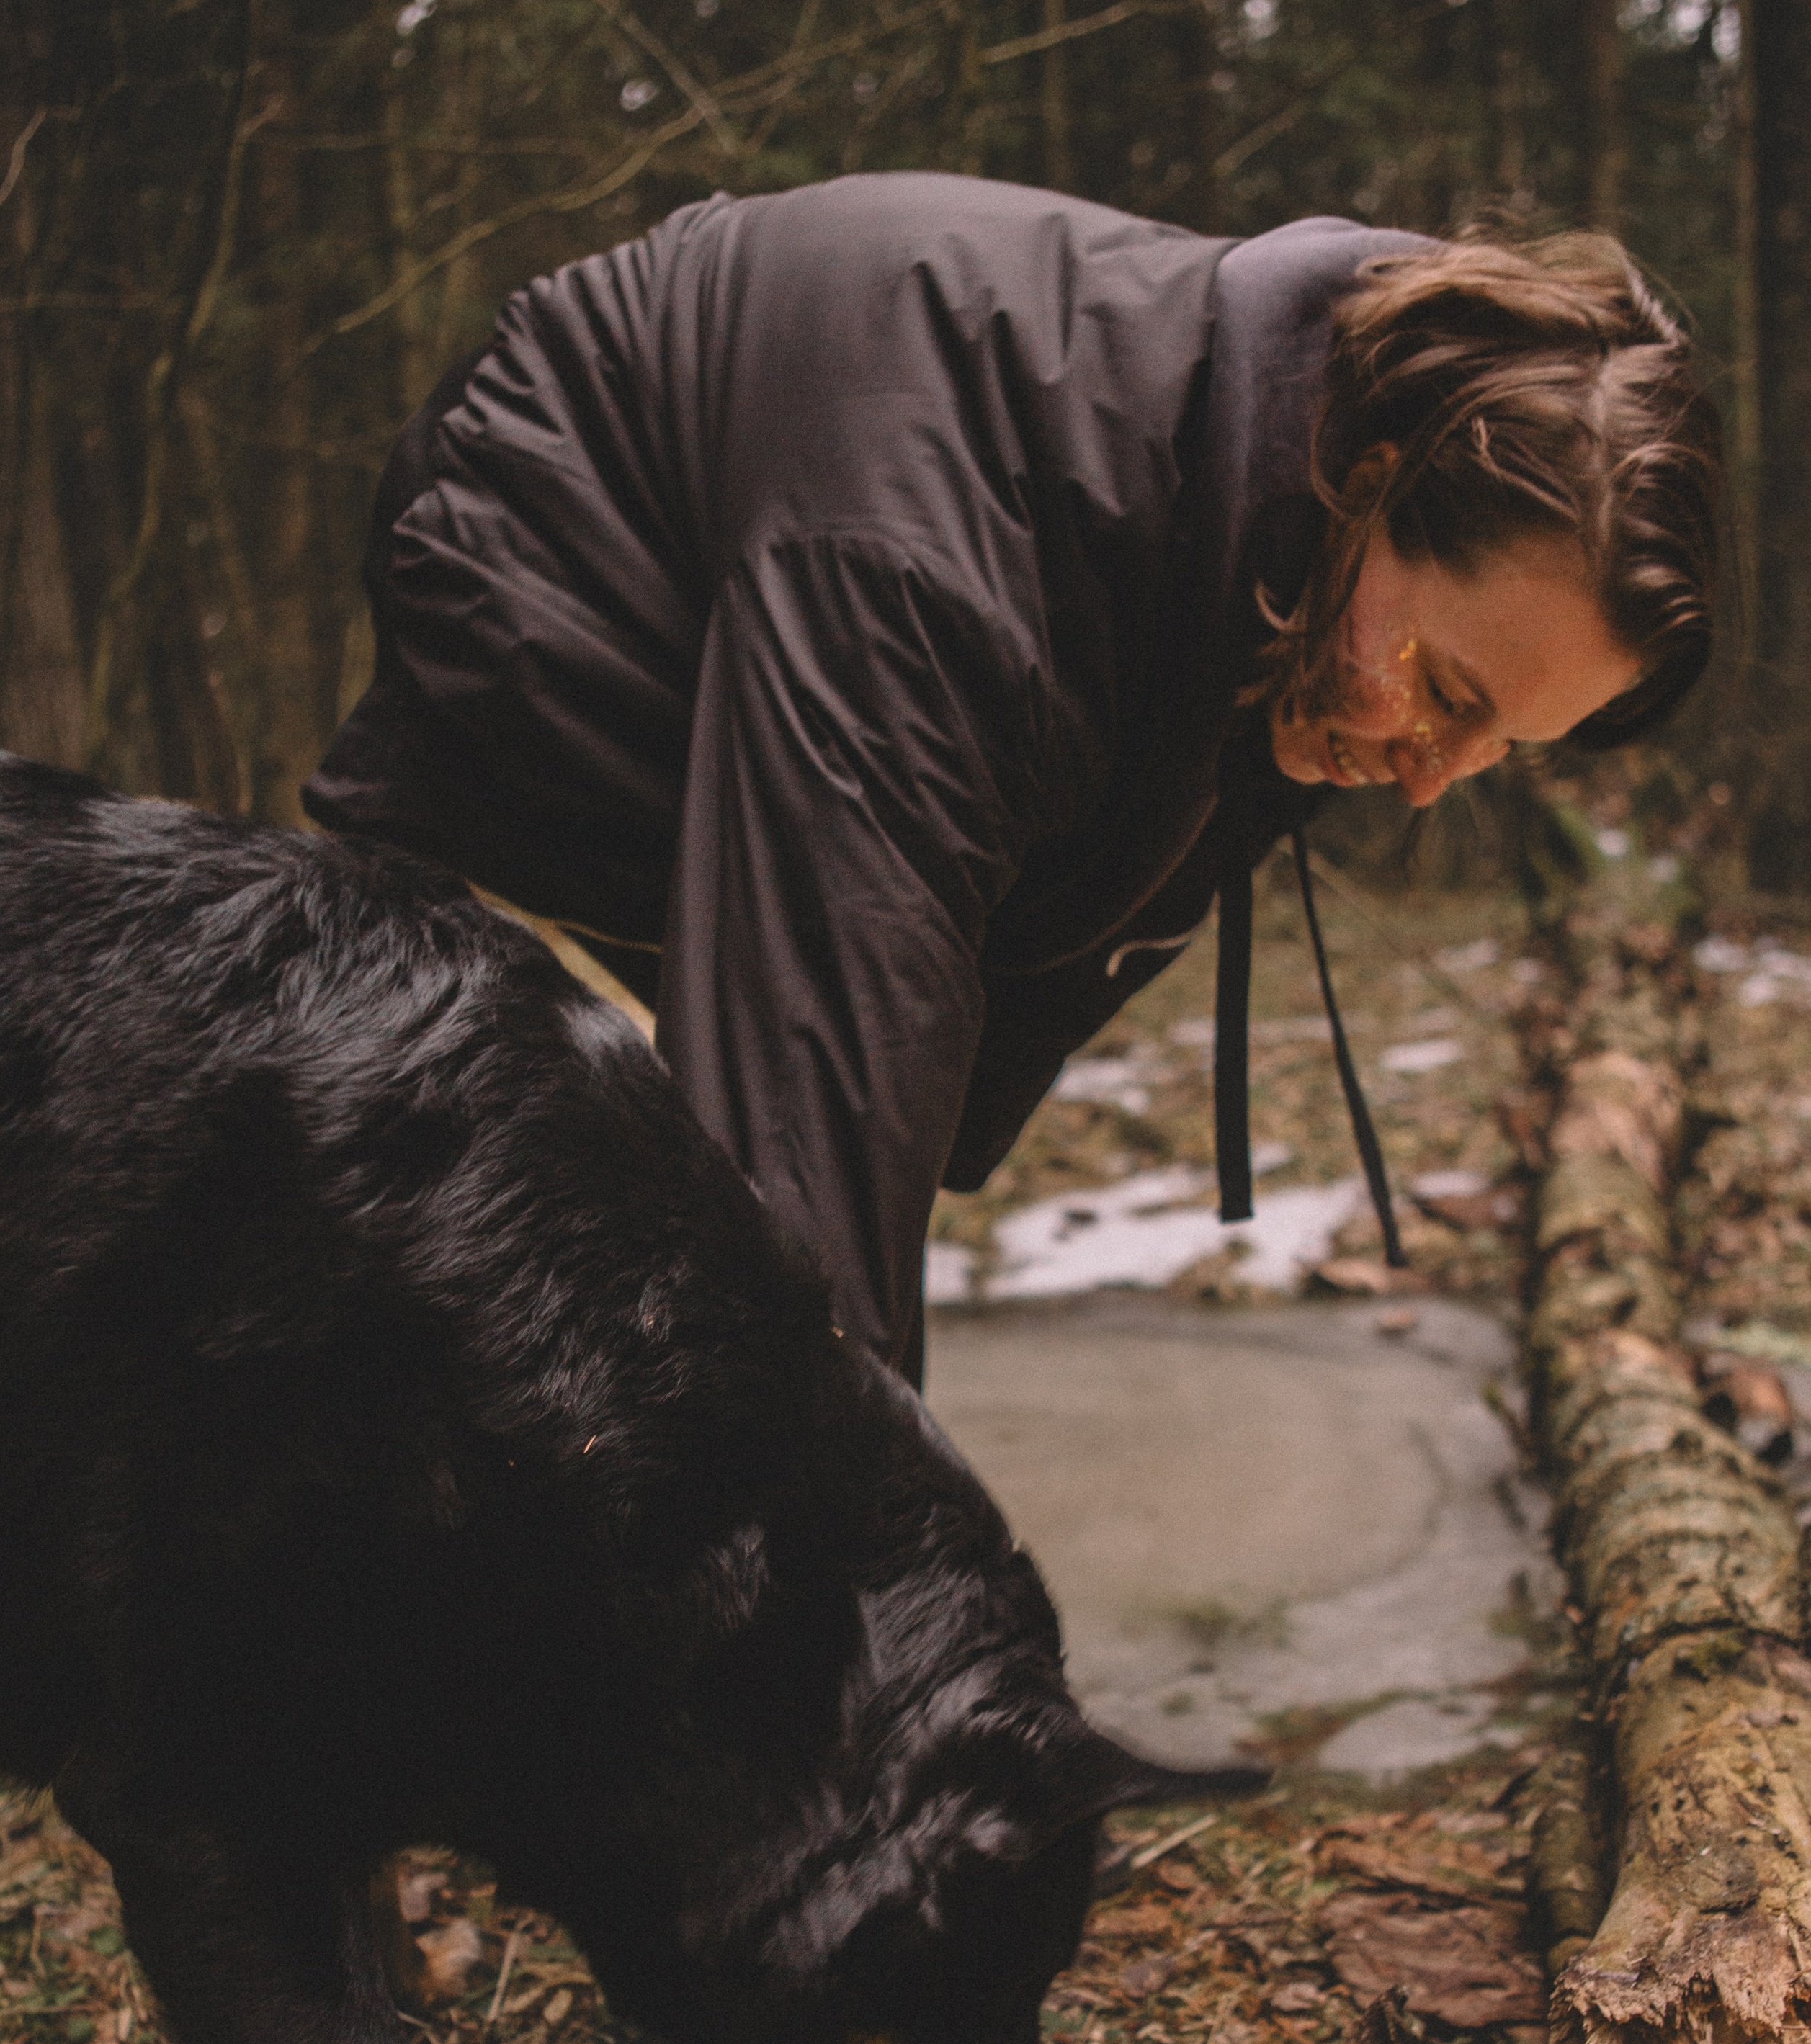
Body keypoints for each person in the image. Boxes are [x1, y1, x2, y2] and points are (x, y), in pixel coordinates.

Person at [304, 176, 1721, 1380]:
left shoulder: (1281, 543)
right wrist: (879, 1594)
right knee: (754, 1262)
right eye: (1448, 693)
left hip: (848, 571)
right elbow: (812, 1115)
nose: (1431, 780)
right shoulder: (940, 570)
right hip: (549, 551)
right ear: (1370, 476)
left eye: (1501, 745)